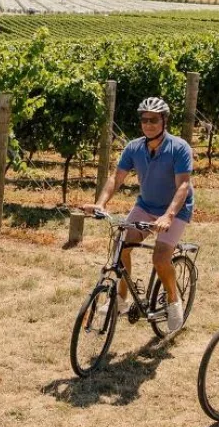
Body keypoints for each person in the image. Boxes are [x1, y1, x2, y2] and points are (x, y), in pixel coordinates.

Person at [83, 97, 194, 332]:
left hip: (175, 209)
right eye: (144, 119)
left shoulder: (179, 147)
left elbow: (183, 185)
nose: (148, 124)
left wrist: (168, 216)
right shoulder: (134, 147)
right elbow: (117, 177)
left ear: (164, 121)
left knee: (160, 258)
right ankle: (121, 300)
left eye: (154, 119)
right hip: (146, 205)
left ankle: (174, 301)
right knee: (121, 245)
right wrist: (101, 204)